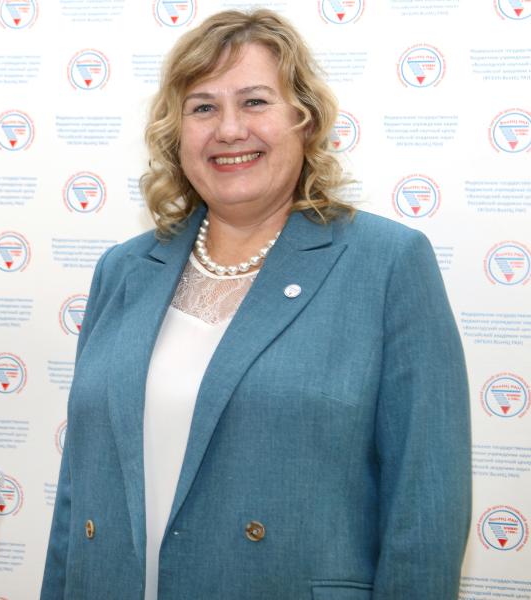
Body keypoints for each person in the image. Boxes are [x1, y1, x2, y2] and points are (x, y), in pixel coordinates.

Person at [41, 9, 470, 599]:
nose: (229, 129)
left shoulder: (386, 264)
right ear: (176, 133)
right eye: (203, 108)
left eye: (255, 102)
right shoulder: (123, 270)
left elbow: (426, 507)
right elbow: (76, 493)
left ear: (304, 121)